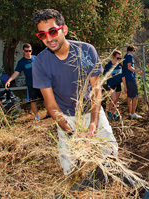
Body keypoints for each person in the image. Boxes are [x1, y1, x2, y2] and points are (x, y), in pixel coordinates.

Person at [32, 9, 118, 176]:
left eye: (52, 31)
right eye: (42, 35)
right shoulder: (40, 63)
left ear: (64, 29)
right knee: (69, 167)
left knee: (110, 154)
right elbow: (50, 104)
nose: (49, 38)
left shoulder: (86, 51)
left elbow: (96, 90)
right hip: (65, 117)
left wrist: (93, 122)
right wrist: (71, 131)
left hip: (91, 110)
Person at [5, 43, 42, 120]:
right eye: (26, 51)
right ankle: (37, 116)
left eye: (30, 51)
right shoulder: (21, 62)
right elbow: (16, 73)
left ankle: (49, 113)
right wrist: (9, 80)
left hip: (40, 82)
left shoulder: (36, 58)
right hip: (31, 84)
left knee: (45, 98)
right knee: (33, 100)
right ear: (23, 51)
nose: (28, 52)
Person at [103, 50, 127, 121]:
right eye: (117, 58)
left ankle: (113, 114)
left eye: (120, 58)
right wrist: (102, 84)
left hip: (118, 84)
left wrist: (125, 86)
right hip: (111, 84)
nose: (119, 60)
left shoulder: (120, 65)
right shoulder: (108, 65)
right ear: (114, 57)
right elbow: (105, 75)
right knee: (113, 99)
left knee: (116, 100)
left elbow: (123, 76)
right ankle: (109, 112)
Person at [122, 45, 143, 119]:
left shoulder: (125, 56)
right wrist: (138, 72)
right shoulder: (130, 56)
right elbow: (129, 67)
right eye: (134, 51)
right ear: (132, 50)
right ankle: (133, 113)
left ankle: (130, 113)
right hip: (131, 78)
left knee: (129, 96)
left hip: (127, 78)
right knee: (135, 96)